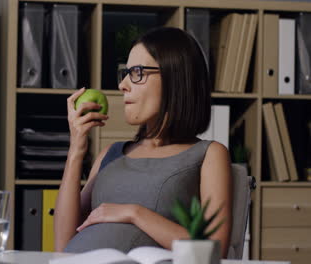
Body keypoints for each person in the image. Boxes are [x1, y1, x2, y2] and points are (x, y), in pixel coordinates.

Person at [53, 27, 232, 257]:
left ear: (174, 77)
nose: (123, 85)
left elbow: (214, 250)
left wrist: (134, 213)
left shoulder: (209, 154)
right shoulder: (112, 153)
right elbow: (62, 244)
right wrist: (76, 148)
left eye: (137, 72)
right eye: (125, 73)